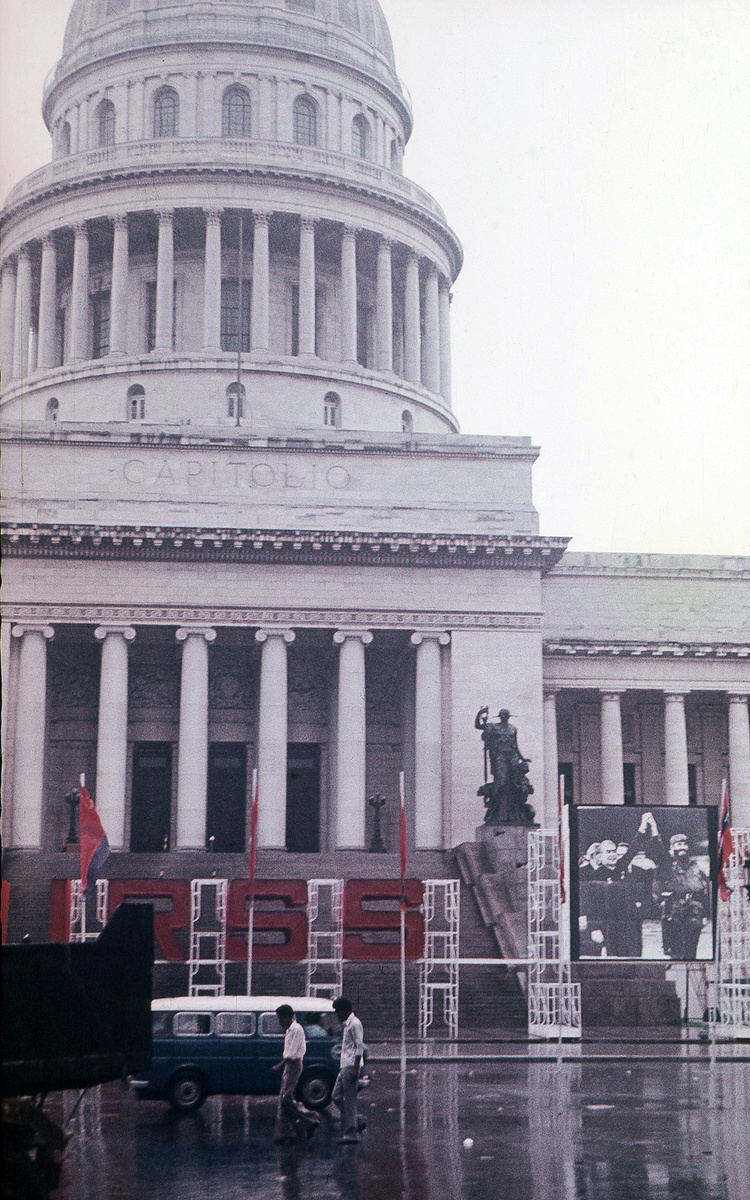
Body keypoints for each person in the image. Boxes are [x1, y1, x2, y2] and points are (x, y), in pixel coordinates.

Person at [638, 814, 711, 960]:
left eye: (684, 844)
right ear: (672, 847)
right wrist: (653, 827)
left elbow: (705, 892)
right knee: (675, 952)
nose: (682, 847)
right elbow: (657, 846)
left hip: (694, 913)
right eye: (678, 844)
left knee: (691, 952)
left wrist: (705, 915)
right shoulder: (666, 865)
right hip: (674, 913)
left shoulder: (697, 867)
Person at [271, 1004, 320, 1144]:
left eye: (281, 1018)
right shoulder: (289, 1030)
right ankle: (286, 1132)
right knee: (283, 1099)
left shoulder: (297, 1029)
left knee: (286, 1098)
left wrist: (279, 1065)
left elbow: (292, 1053)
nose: (279, 1021)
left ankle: (311, 1118)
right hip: (289, 1064)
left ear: (287, 1017)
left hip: (293, 1064)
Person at [331, 996, 366, 1144]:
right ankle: (357, 1120)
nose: (337, 1014)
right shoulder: (347, 1024)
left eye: (338, 1011)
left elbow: (359, 1046)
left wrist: (356, 1069)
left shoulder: (355, 1024)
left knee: (350, 1100)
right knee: (335, 1096)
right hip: (345, 1065)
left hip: (351, 1065)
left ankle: (351, 1133)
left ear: (345, 1010)